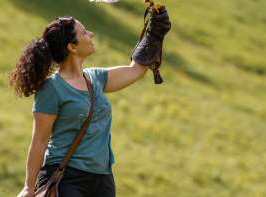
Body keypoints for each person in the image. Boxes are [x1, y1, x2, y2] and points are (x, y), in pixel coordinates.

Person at [9, 7, 170, 197]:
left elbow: (135, 70)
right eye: (84, 32)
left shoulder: (96, 78)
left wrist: (154, 33)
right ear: (72, 47)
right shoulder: (51, 88)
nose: (91, 34)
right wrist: (28, 186)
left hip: (102, 178)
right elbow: (40, 140)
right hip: (66, 178)